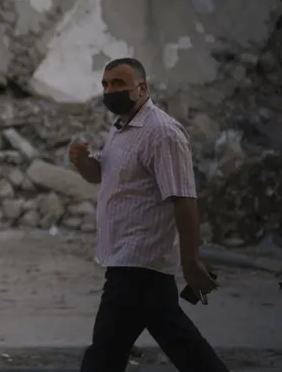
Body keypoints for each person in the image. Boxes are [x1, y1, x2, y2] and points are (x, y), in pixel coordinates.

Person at [69, 57, 229, 372]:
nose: (109, 90)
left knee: (105, 353)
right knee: (178, 342)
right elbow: (99, 174)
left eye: (118, 84)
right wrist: (81, 160)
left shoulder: (162, 133)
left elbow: (183, 198)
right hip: (128, 260)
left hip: (139, 259)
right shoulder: (121, 128)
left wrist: (191, 261)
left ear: (142, 89)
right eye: (105, 84)